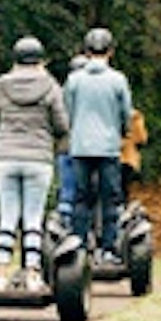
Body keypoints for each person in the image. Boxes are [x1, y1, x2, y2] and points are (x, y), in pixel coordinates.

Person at [0, 35, 69, 292]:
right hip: (38, 158)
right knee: (33, 219)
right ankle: (33, 274)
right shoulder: (50, 86)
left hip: (6, 157)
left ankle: (0, 273)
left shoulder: (3, 84)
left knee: (8, 217)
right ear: (41, 59)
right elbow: (62, 124)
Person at [64, 27, 132, 263]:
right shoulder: (118, 80)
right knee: (110, 199)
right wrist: (122, 133)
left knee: (81, 198)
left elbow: (67, 113)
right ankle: (108, 249)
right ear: (110, 51)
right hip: (108, 147)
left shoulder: (74, 80)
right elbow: (126, 114)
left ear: (86, 50)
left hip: (80, 146)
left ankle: (80, 247)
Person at [54, 54, 88, 228]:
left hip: (65, 148)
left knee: (66, 192)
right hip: (86, 149)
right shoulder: (92, 92)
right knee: (85, 194)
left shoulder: (60, 92)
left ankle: (63, 229)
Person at [119, 106, 149, 203]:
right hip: (127, 158)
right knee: (123, 190)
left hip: (105, 156)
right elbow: (141, 138)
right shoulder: (135, 116)